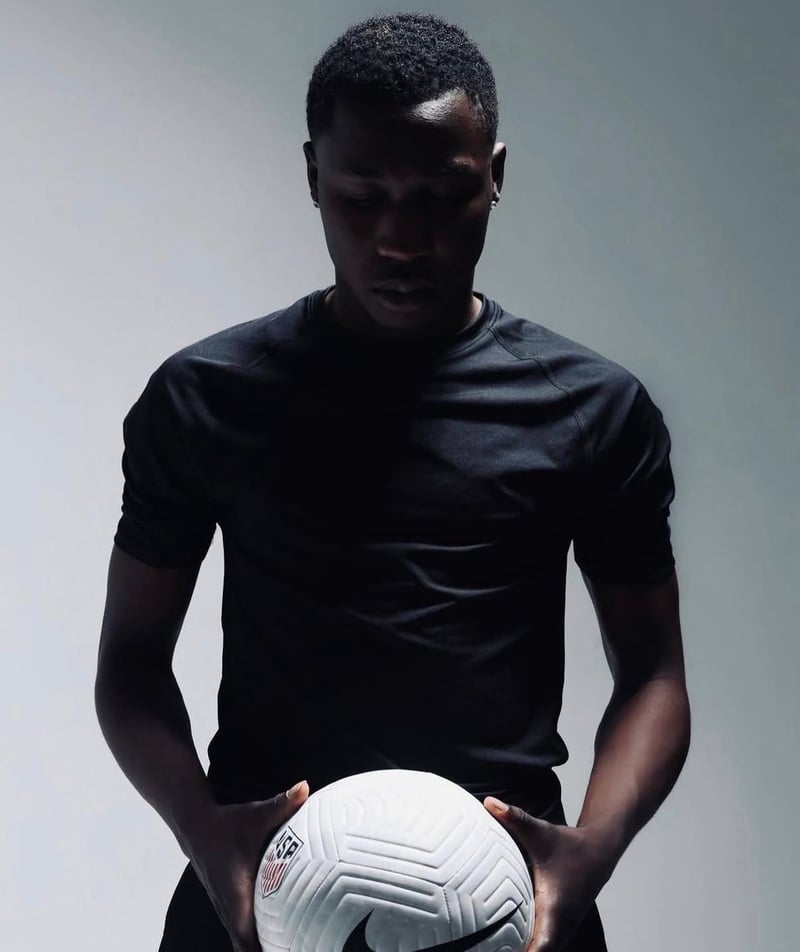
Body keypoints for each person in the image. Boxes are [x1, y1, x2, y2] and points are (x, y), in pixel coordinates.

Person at [95, 12, 690, 952]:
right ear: (313, 178)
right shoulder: (208, 397)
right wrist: (205, 831)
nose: (402, 240)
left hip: (511, 905)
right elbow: (130, 665)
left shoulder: (592, 411)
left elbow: (653, 672)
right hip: (256, 897)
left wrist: (594, 848)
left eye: (441, 197)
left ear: (494, 177)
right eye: (362, 197)